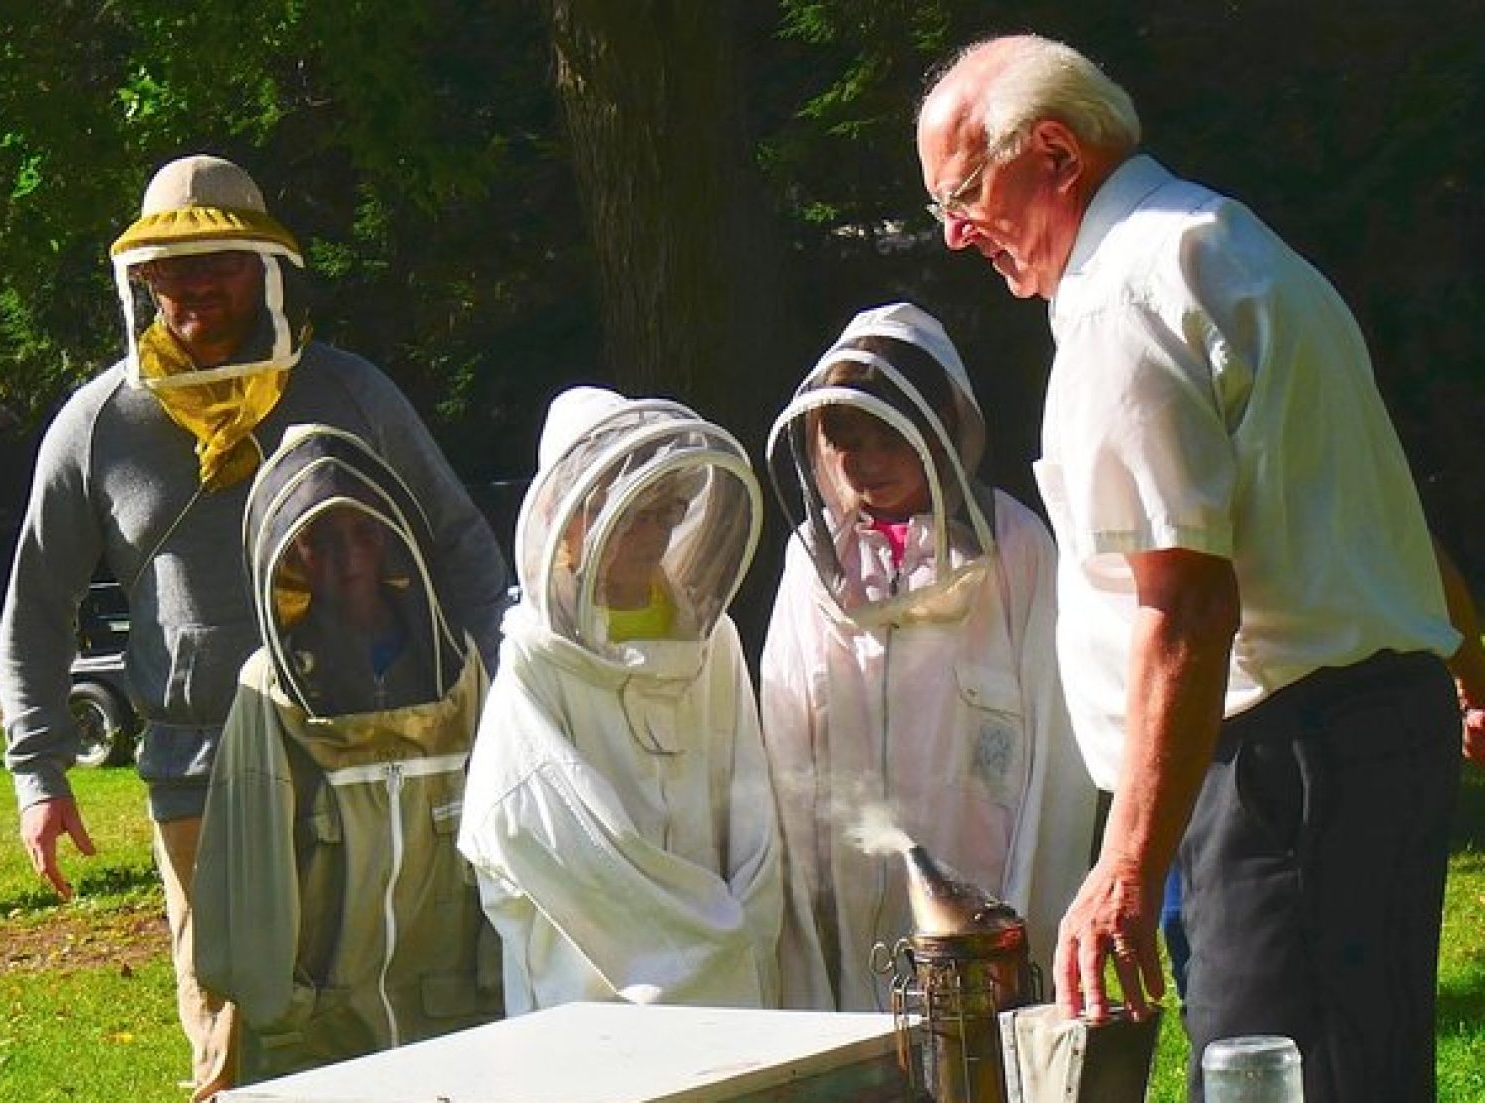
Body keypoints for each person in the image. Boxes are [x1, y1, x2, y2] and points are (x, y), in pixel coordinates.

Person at [917, 35, 1462, 1103]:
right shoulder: (1231, 242)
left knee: (1275, 1078)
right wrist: (1467, 660)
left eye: (965, 191)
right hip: (1352, 739)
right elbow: (1367, 490)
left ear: (1057, 156)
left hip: (1280, 764)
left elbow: (1184, 604)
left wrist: (1121, 870)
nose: (951, 232)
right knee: (1363, 1071)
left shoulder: (1126, 299)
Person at [0, 154, 507, 1100]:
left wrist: (500, 699)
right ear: (141, 278)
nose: (193, 287)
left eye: (219, 262)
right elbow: (35, 608)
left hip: (374, 748)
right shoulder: (97, 424)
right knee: (236, 1023)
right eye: (171, 268)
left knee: (407, 998)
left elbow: (462, 545)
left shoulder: (353, 394)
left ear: (266, 267)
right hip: (198, 773)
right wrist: (39, 771)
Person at [757, 302, 1096, 1012]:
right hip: (856, 919)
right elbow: (788, 740)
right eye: (844, 439)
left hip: (988, 914)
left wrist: (1033, 923)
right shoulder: (815, 563)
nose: (865, 464)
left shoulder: (1017, 546)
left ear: (940, 428)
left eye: (886, 438)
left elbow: (1057, 758)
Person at [457, 386, 783, 1013]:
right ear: (569, 517)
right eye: (634, 512)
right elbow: (546, 839)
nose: (655, 533)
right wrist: (710, 942)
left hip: (728, 988)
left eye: (668, 510)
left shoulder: (709, 639)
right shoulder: (536, 659)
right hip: (592, 1000)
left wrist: (748, 926)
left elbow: (751, 809)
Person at [192, 425, 499, 1083]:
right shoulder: (269, 690)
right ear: (289, 554)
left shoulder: (458, 667)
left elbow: (502, 841)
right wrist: (284, 1011)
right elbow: (247, 892)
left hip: (451, 1016)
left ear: (391, 533)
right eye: (320, 540)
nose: (347, 556)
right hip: (323, 1033)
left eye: (361, 532)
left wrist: (493, 972)